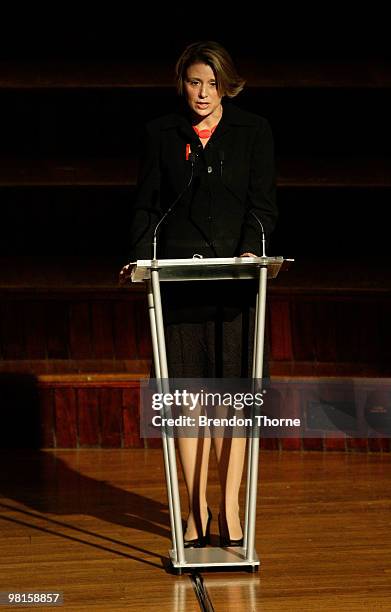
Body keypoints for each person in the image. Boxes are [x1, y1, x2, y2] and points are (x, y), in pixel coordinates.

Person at [123, 40, 278, 547]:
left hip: (235, 286)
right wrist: (143, 256)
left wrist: (255, 251)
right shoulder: (161, 134)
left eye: (212, 83)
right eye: (194, 82)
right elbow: (147, 208)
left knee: (232, 402)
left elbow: (263, 208)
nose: (203, 92)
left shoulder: (254, 132)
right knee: (188, 402)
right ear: (181, 83)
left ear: (226, 85)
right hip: (178, 288)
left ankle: (230, 508)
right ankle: (193, 510)